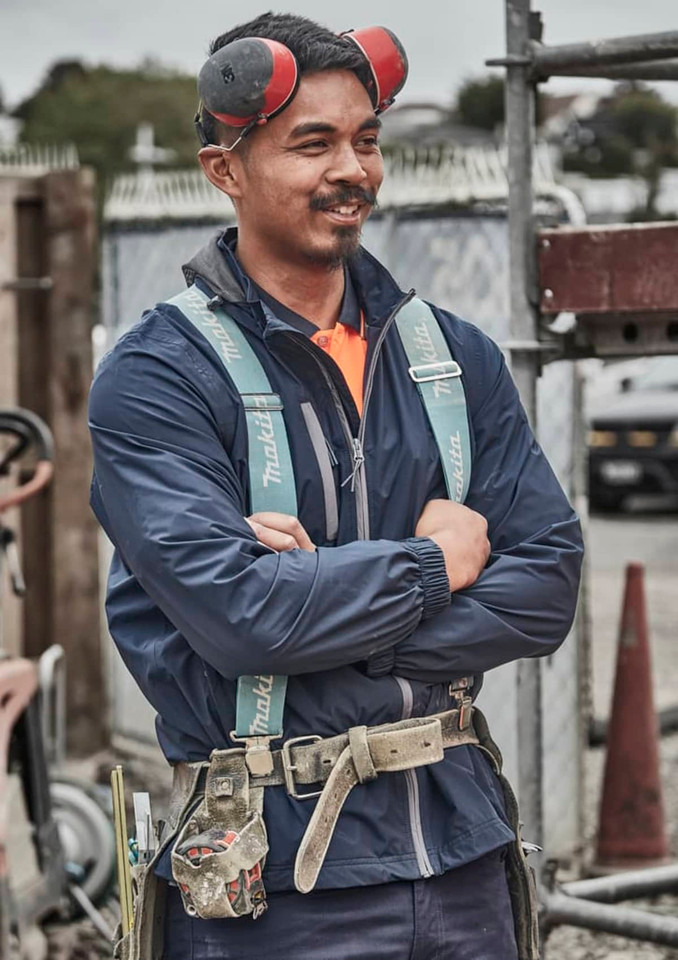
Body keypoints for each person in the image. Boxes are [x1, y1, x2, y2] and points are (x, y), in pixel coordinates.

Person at [89, 12, 583, 960]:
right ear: (224, 169)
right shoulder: (157, 377)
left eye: (365, 139)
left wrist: (321, 612)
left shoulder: (453, 357)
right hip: (274, 885)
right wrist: (440, 563)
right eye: (310, 143)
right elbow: (242, 619)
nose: (351, 168)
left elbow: (549, 585)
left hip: (463, 856)